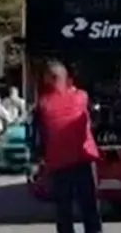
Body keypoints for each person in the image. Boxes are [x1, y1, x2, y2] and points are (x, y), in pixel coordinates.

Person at [31, 61, 102, 233]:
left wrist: (39, 161)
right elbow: (94, 121)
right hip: (83, 160)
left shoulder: (43, 105)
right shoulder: (82, 97)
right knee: (89, 208)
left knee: (64, 212)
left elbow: (39, 138)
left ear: (49, 78)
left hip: (59, 163)